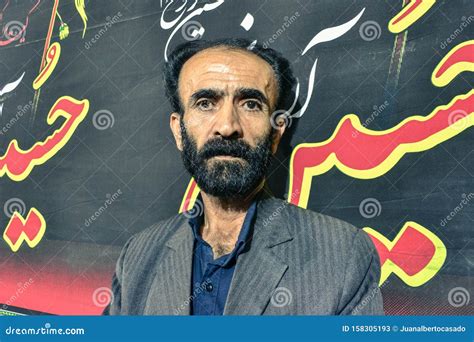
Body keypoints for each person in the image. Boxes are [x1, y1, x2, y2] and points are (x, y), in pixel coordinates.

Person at [103, 38, 384, 315]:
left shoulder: (343, 255)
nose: (227, 126)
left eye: (250, 104)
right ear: (178, 131)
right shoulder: (138, 256)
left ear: (275, 134)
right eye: (205, 103)